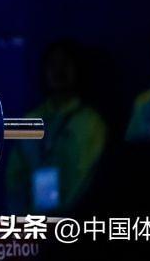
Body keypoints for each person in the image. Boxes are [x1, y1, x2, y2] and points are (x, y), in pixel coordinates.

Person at [6, 40, 107, 215]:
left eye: (65, 63)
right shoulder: (30, 120)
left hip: (75, 221)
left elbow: (88, 179)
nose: (59, 70)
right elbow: (14, 177)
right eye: (53, 64)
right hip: (33, 221)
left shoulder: (91, 122)